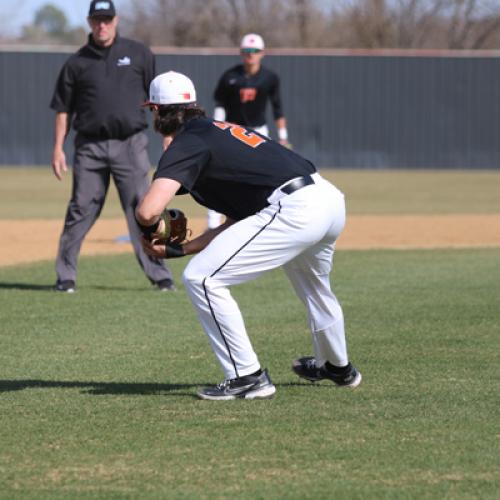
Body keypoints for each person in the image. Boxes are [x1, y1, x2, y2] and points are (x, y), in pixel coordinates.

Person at [136, 71, 361, 401]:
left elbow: (147, 210)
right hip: (326, 198)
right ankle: (337, 367)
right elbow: (236, 224)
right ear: (192, 106)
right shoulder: (217, 132)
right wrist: (182, 249)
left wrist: (149, 233)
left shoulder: (188, 141)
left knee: (202, 279)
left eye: (152, 110)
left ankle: (247, 376)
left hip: (295, 209)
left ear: (157, 111)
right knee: (315, 289)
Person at [50, 0, 174, 293]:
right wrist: (58, 148)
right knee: (81, 209)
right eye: (96, 20)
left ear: (116, 21)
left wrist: (167, 135)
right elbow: (63, 109)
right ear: (89, 22)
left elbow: (157, 98)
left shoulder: (138, 54)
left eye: (106, 19)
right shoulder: (77, 62)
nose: (101, 25)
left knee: (144, 209)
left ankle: (160, 275)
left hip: (130, 144)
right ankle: (65, 276)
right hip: (90, 148)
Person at [207, 33, 291, 230]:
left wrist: (283, 137)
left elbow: (277, 108)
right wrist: (217, 130)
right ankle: (212, 223)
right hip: (232, 132)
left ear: (262, 53)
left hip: (259, 132)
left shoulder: (270, 78)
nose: (250, 55)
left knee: (265, 175)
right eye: (246, 51)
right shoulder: (230, 77)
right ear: (240, 53)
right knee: (218, 174)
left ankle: (264, 219)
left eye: (254, 51)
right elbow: (220, 103)